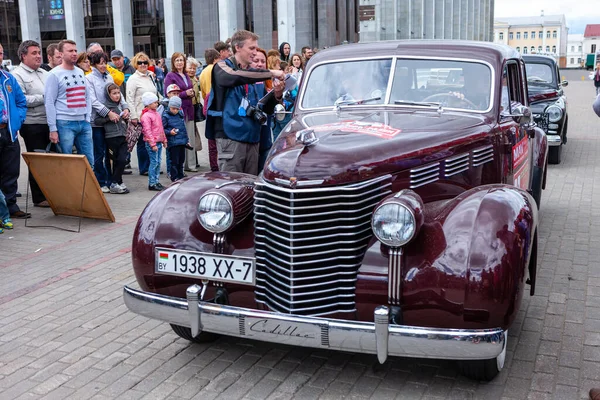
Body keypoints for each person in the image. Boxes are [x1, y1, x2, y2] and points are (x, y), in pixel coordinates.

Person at [206, 29, 285, 175]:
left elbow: (263, 108)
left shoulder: (253, 74)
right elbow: (234, 77)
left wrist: (277, 94)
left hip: (253, 139)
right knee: (232, 187)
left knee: (250, 187)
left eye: (256, 48)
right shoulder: (222, 67)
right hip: (231, 139)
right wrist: (271, 72)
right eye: (251, 48)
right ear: (237, 47)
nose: (255, 52)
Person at [12, 40, 51, 208]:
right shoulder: (17, 74)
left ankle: (52, 193)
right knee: (37, 161)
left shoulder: (44, 73)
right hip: (32, 124)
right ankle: (39, 197)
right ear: (23, 56)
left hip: (49, 122)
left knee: (51, 162)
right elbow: (21, 100)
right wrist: (45, 98)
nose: (38, 56)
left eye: (38, 53)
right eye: (33, 53)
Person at [45, 40, 94, 166]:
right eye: (70, 51)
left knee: (89, 162)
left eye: (75, 50)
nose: (74, 53)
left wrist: (87, 118)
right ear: (61, 54)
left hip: (83, 122)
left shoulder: (80, 72)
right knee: (66, 163)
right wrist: (53, 128)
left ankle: (87, 186)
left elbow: (87, 96)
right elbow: (49, 102)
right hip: (64, 123)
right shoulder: (53, 75)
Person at [87, 51, 130, 192]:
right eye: (100, 63)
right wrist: (108, 113)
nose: (103, 65)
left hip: (114, 120)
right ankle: (101, 181)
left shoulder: (109, 77)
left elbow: (118, 93)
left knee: (112, 154)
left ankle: (113, 180)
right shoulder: (89, 78)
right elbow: (92, 100)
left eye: (105, 62)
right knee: (99, 152)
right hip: (98, 121)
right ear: (94, 64)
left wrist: (125, 108)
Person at [0, 43, 28, 219]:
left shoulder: (8, 78)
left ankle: (11, 206)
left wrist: (18, 120)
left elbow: (21, 102)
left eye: (1, 53)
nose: (0, 56)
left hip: (8, 131)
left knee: (11, 171)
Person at [126, 52, 160, 176]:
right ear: (136, 64)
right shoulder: (133, 79)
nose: (143, 65)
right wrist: (133, 116)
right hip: (140, 115)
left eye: (145, 62)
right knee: (142, 143)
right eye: (140, 63)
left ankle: (152, 166)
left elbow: (155, 93)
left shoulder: (150, 76)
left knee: (152, 140)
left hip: (152, 114)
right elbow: (129, 98)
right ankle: (144, 167)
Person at [94, 83, 130, 194]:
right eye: (114, 93)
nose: (117, 96)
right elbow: (97, 121)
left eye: (118, 93)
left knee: (123, 159)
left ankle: (116, 181)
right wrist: (109, 118)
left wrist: (125, 117)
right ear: (108, 94)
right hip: (111, 137)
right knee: (113, 161)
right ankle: (115, 182)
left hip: (123, 136)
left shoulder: (120, 106)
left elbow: (123, 120)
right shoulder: (105, 107)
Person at [164, 52, 196, 172]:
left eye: (181, 60)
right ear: (173, 62)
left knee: (189, 137)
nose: (179, 62)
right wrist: (184, 93)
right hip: (176, 111)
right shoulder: (170, 76)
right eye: (177, 60)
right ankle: (178, 168)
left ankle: (190, 165)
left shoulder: (186, 75)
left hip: (189, 109)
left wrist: (191, 92)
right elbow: (167, 93)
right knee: (179, 139)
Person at [140, 92, 167, 191]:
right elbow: (147, 131)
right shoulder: (146, 116)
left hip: (158, 142)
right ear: (148, 104)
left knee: (158, 162)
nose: (157, 104)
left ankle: (156, 181)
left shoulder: (156, 114)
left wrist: (164, 139)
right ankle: (152, 183)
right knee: (154, 162)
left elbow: (161, 128)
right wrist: (152, 144)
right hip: (153, 143)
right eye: (155, 102)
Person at [199, 48, 220, 172]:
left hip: (212, 119)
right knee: (214, 146)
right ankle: (215, 167)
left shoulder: (202, 73)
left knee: (213, 146)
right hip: (214, 120)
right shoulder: (214, 69)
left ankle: (215, 166)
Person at [162, 96, 189, 181]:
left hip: (181, 142)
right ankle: (174, 177)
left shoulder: (180, 114)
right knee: (174, 161)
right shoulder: (165, 116)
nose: (175, 111)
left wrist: (186, 140)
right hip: (173, 143)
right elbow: (162, 129)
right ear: (169, 106)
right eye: (173, 108)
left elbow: (183, 129)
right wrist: (169, 132)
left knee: (181, 160)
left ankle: (181, 175)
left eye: (177, 109)